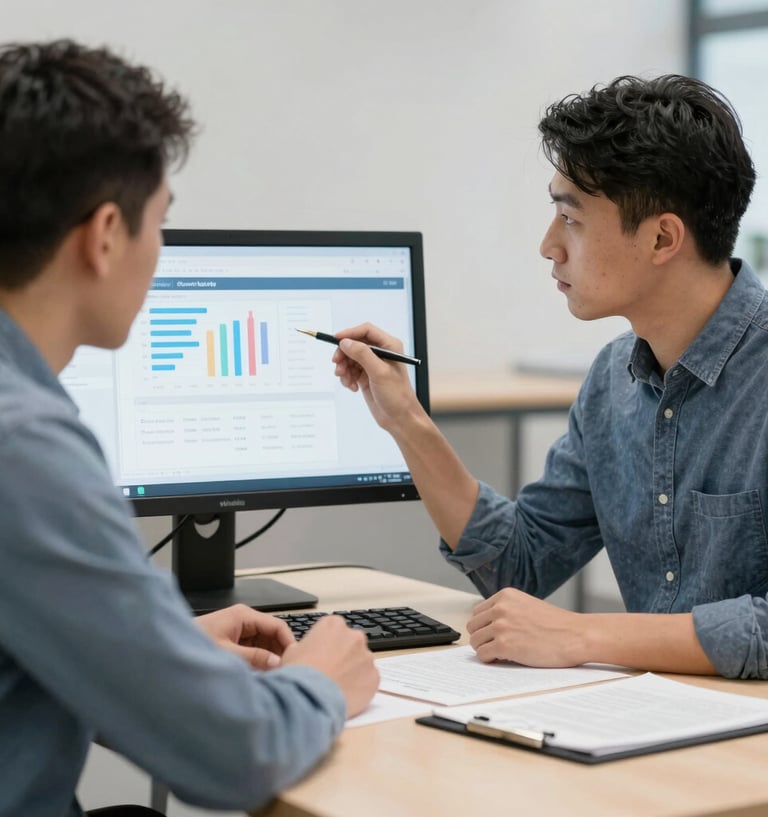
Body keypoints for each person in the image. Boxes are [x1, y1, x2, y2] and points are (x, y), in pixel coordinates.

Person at [0, 39, 378, 817]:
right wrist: (320, 680)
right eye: (160, 224)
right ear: (105, 233)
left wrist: (161, 655)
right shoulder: (23, 447)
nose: (160, 251)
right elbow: (232, 757)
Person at [332, 74, 768, 681]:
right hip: (658, 722)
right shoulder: (613, 380)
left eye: (572, 219)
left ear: (663, 237)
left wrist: (585, 633)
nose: (548, 245)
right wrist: (405, 418)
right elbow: (521, 563)